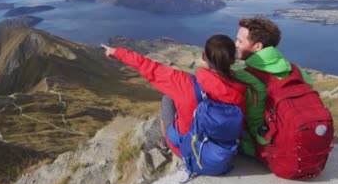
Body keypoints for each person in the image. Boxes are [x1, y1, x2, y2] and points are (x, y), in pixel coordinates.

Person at [102, 35, 247, 158]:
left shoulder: (185, 82)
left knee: (168, 98)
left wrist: (117, 52)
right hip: (223, 151)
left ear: (203, 56)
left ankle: (165, 141)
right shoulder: (242, 88)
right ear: (233, 60)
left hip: (187, 149)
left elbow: (149, 66)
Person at [231, 16, 314, 157]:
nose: (235, 44)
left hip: (266, 149)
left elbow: (250, 122)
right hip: (303, 141)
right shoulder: (298, 72)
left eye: (240, 41)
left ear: (257, 46)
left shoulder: (245, 77)